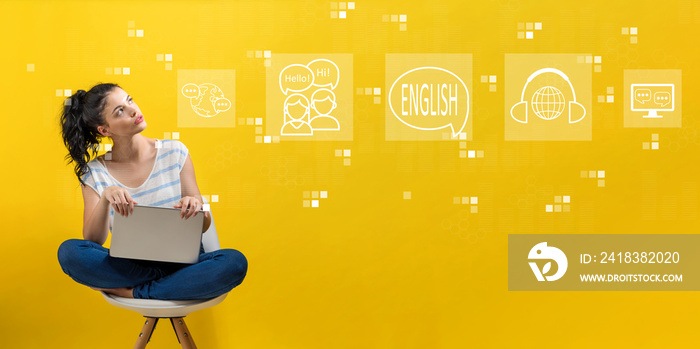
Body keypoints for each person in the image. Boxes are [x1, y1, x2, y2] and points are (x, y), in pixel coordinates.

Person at [57, 83, 247, 300]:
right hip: (132, 266)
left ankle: (136, 292)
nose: (133, 110)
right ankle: (165, 286)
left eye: (130, 100)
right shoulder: (94, 173)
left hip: (186, 264)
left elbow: (203, 226)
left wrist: (197, 207)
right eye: (119, 111)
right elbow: (92, 240)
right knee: (69, 252)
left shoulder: (175, 152)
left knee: (234, 262)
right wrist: (106, 198)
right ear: (105, 130)